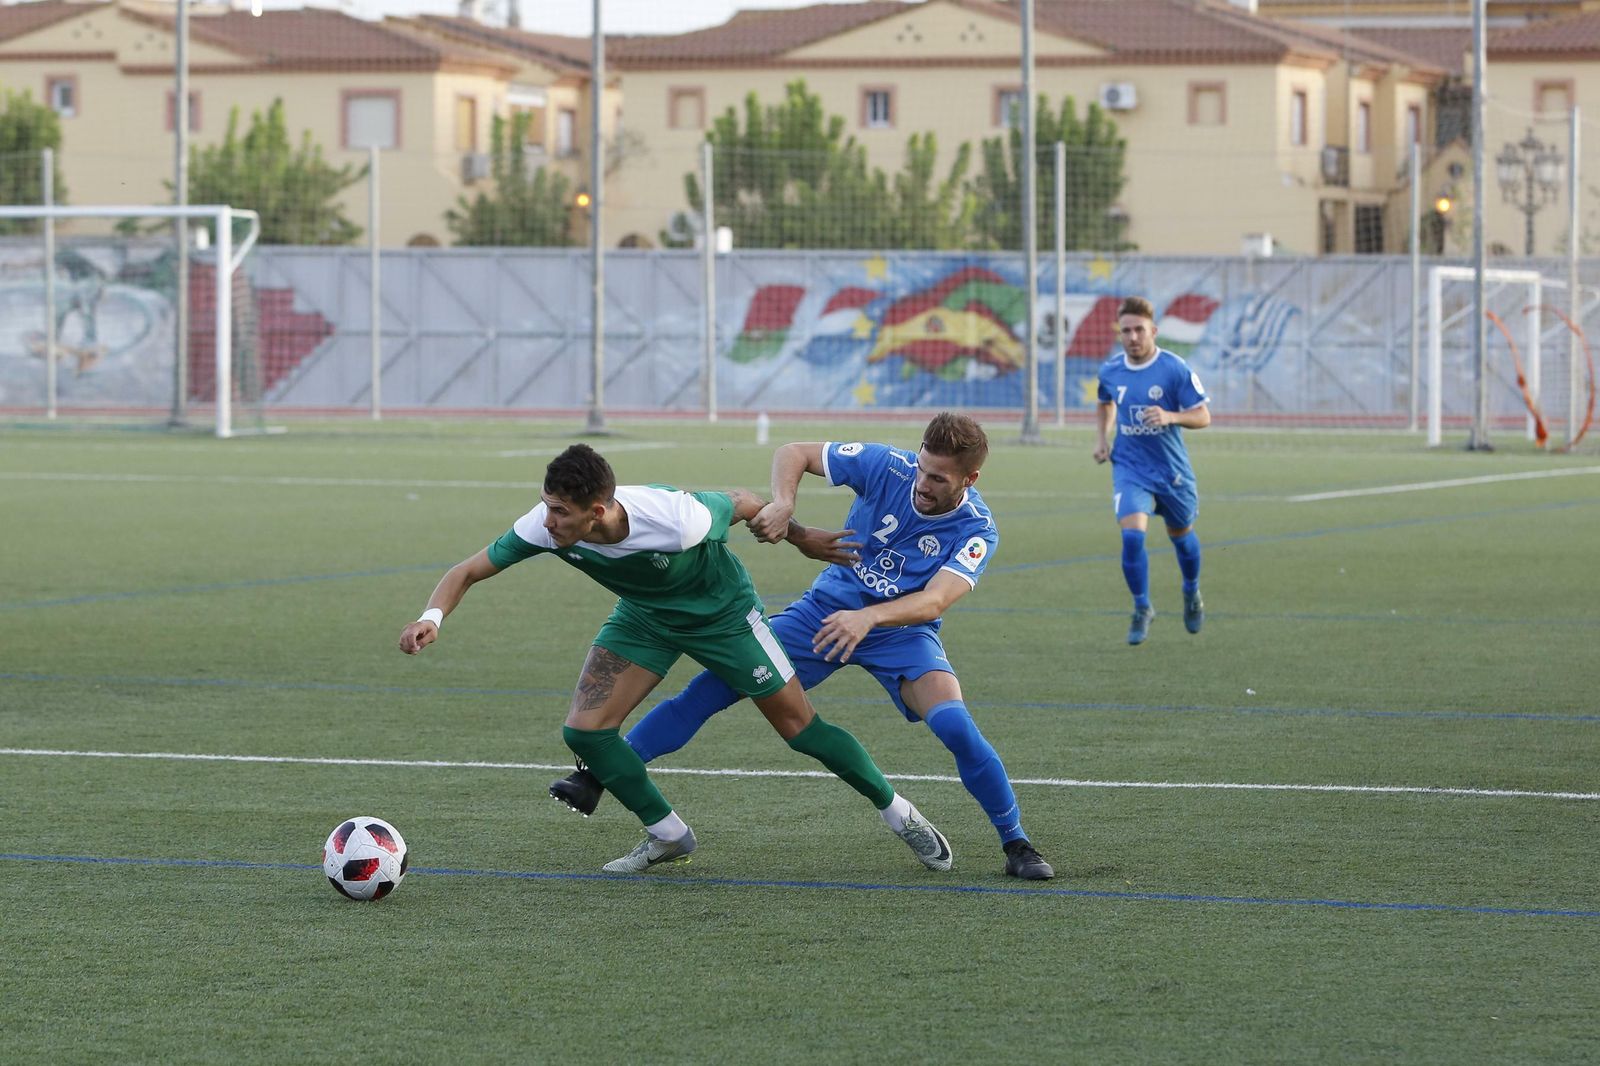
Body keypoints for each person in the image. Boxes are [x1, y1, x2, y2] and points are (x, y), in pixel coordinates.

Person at [398, 443, 954, 875]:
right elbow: (467, 570)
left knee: (799, 728)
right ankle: (667, 834)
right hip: (645, 617)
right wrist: (432, 617)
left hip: (724, 616)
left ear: (597, 512)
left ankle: (898, 812)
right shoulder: (544, 528)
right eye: (546, 507)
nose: (547, 523)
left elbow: (741, 501)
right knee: (585, 733)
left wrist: (801, 534)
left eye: (560, 513)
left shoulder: (675, 518)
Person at [550, 414, 1055, 881]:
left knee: (955, 726)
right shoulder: (888, 465)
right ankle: (599, 775)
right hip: (821, 616)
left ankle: (1016, 844)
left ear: (970, 480)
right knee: (707, 693)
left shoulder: (976, 530)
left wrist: (869, 617)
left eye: (938, 479)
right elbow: (794, 452)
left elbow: (935, 600)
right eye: (923, 469)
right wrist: (785, 503)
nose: (922, 484)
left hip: (901, 632)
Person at [1093, 296, 1212, 645]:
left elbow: (1203, 415)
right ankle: (1142, 607)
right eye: (1126, 331)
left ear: (1153, 331)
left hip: (1171, 471)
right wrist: (1101, 439)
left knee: (1182, 538)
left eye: (1139, 330)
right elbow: (1104, 402)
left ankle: (1191, 592)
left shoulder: (1175, 368)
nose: (1132, 337)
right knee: (1132, 537)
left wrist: (1171, 416)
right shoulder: (1111, 370)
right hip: (1130, 467)